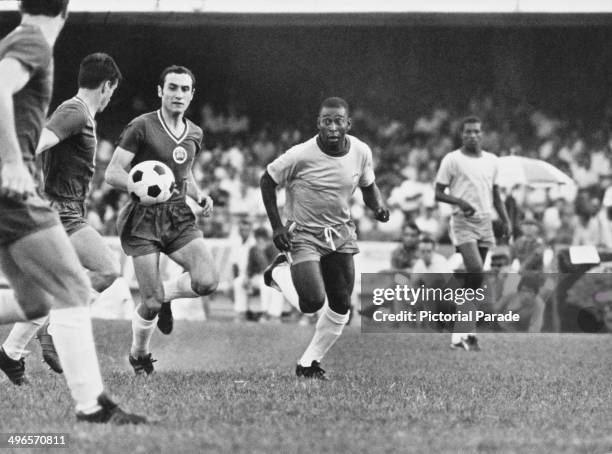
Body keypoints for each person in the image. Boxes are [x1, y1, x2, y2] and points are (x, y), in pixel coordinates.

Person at [0, 0, 144, 424]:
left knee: (34, 301)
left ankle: (16, 353)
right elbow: (14, 105)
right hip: (29, 198)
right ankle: (92, 405)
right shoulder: (36, 47)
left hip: (25, 196)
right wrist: (12, 162)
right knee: (78, 287)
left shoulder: (13, 39)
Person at [0, 52, 125, 379]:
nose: (112, 96)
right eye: (113, 90)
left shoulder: (80, 113)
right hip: (60, 214)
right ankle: (53, 329)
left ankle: (11, 353)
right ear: (107, 86)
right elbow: (37, 143)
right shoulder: (75, 112)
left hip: (60, 211)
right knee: (107, 269)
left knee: (42, 293)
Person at [260, 97, 389, 379]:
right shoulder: (300, 154)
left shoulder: (361, 151)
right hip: (304, 234)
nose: (332, 127)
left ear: (348, 124)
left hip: (340, 233)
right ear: (318, 124)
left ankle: (309, 363)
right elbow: (267, 180)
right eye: (326, 121)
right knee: (312, 303)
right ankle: (278, 273)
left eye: (338, 121)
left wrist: (377, 206)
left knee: (342, 302)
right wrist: (277, 227)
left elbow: (368, 185)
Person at [105, 65, 218, 375]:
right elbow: (112, 172)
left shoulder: (195, 132)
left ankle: (164, 293)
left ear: (192, 95)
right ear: (160, 91)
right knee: (150, 303)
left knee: (207, 281)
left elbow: (185, 174)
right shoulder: (141, 126)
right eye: (172, 88)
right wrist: (138, 186)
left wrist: (198, 195)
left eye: (184, 89)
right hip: (141, 219)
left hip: (178, 214)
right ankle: (139, 354)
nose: (178, 94)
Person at [435, 116, 511, 351]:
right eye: (468, 132)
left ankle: (463, 334)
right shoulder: (452, 159)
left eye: (476, 132)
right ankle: (464, 332)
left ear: (482, 134)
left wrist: (506, 219)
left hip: (486, 221)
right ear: (462, 134)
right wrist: (460, 201)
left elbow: (496, 194)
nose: (472, 135)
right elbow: (438, 193)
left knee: (475, 281)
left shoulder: (492, 161)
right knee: (476, 269)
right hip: (462, 221)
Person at [230, 217, 255, 322]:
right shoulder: (236, 244)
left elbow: (256, 265)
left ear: (250, 230)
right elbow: (234, 265)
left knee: (239, 283)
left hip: (255, 275)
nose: (244, 232)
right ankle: (245, 311)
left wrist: (248, 277)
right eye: (242, 230)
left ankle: (241, 313)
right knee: (234, 284)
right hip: (242, 276)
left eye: (246, 229)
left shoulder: (254, 243)